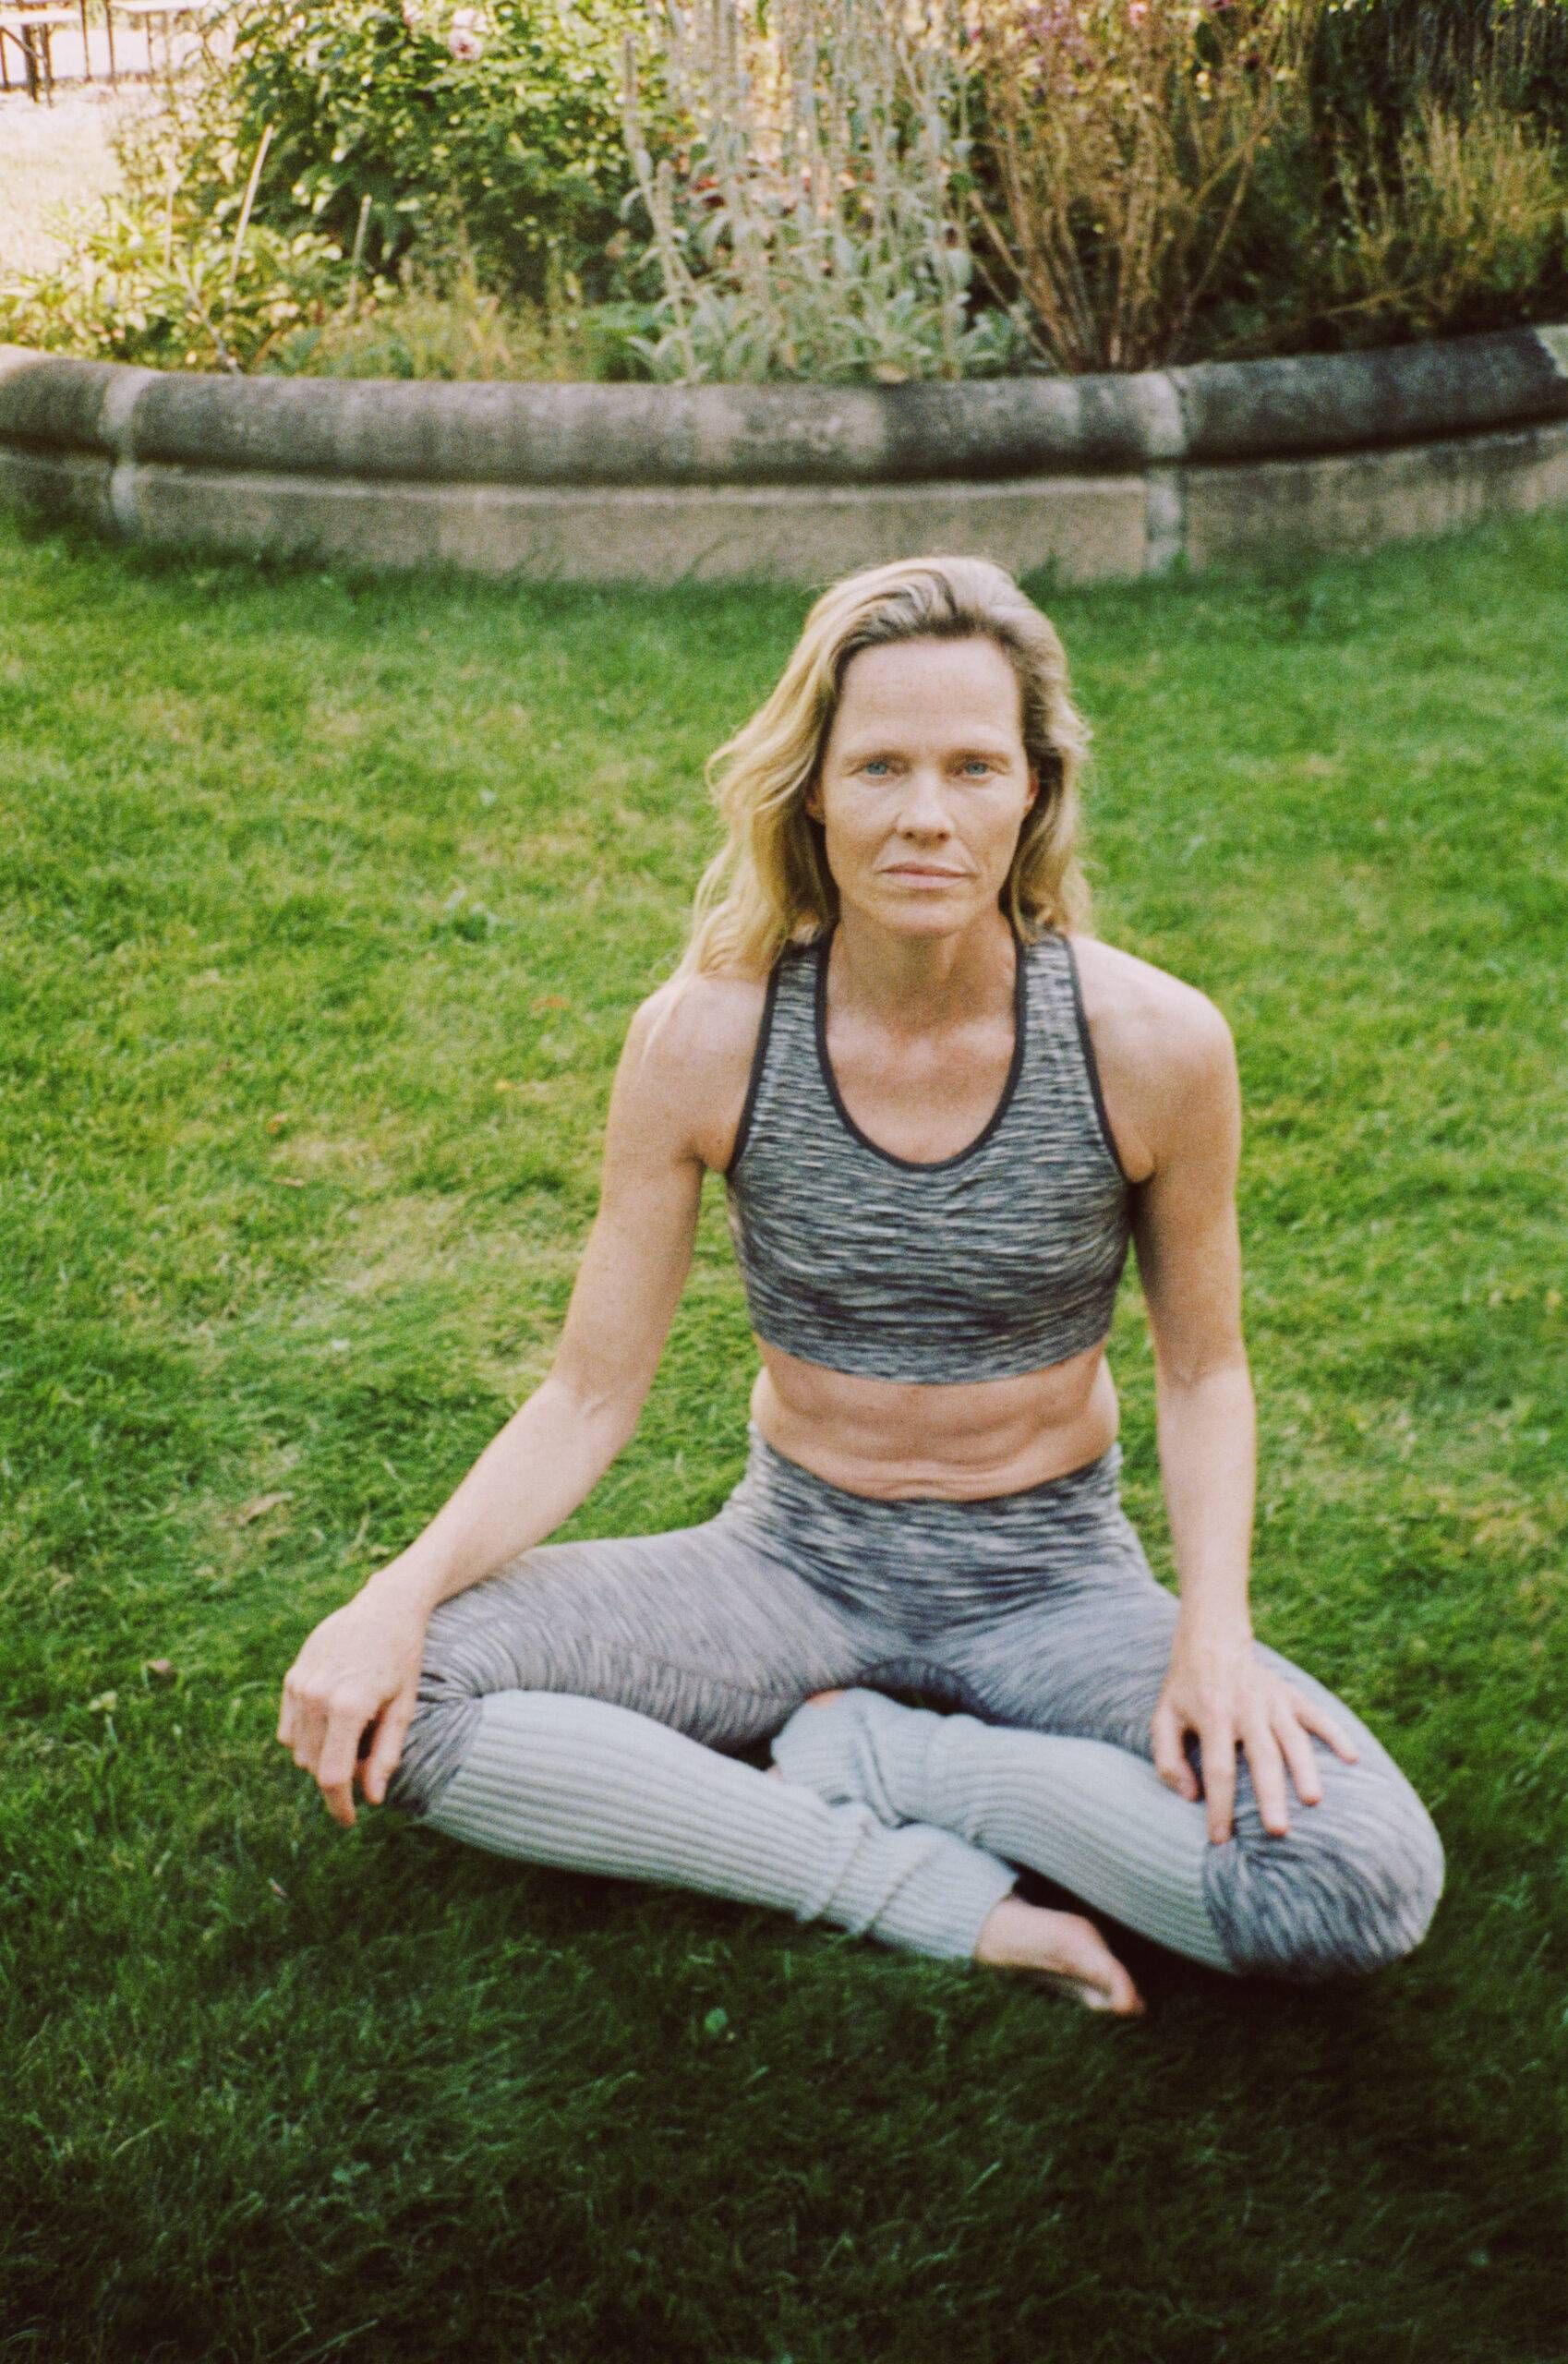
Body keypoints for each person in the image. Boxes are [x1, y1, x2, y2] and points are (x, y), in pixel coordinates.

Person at [276, 554, 1444, 2016]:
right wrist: (395, 1593)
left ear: (1033, 791)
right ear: (812, 792)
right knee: (402, 1695)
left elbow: (1203, 1371)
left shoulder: (1154, 1044)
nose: (925, 816)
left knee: (1353, 1879)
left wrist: (1210, 1638)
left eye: (972, 767)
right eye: (880, 766)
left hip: (1051, 1585)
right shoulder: (701, 1040)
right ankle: (902, 1882)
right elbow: (586, 1393)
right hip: (789, 1566)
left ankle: (894, 1762)